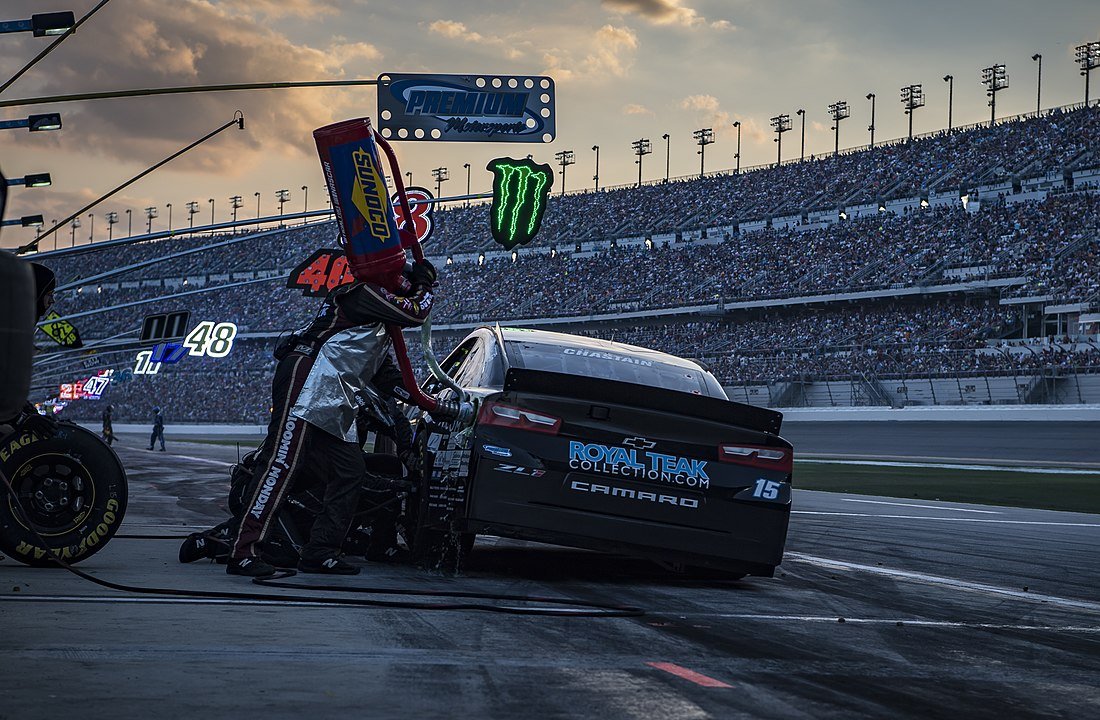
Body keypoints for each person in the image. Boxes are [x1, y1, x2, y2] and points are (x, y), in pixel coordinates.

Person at [226, 258, 471, 578]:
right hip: (308, 375)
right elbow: (416, 311)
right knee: (282, 461)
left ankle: (320, 551)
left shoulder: (380, 327)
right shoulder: (362, 292)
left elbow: (390, 380)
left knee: (349, 469)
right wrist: (424, 287)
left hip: (334, 396)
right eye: (403, 280)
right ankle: (243, 551)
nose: (405, 285)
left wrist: (435, 404)